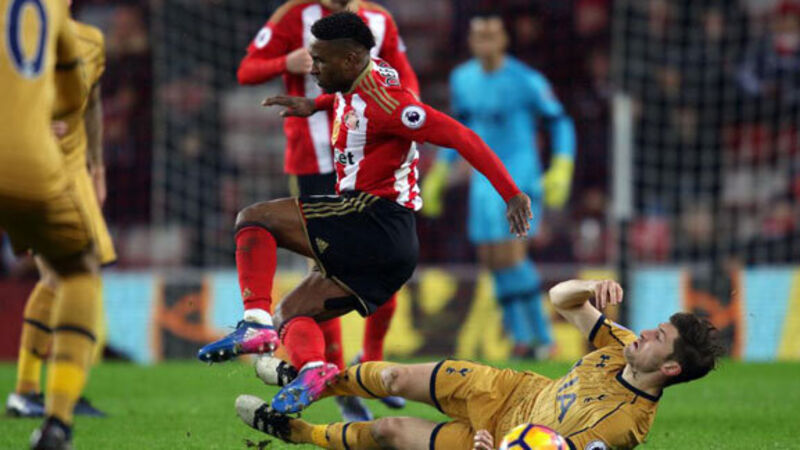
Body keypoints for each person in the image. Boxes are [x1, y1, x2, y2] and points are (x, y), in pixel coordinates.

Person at [200, 11, 533, 415]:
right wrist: (315, 104)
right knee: (290, 314)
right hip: (391, 246)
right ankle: (314, 370)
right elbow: (346, 95)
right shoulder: (360, 74)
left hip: (373, 218)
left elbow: (461, 135)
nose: (312, 67)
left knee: (254, 218)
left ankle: (255, 324)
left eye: (320, 61)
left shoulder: (391, 105)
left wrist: (512, 194)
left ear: (350, 59)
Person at [236, 278, 725, 450]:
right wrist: (589, 286)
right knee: (393, 375)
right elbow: (562, 299)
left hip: (496, 443)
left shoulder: (621, 425)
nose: (645, 333)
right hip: (506, 388)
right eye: (655, 327)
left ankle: (298, 432)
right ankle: (311, 381)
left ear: (670, 369)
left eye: (659, 338)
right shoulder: (620, 344)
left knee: (388, 432)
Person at [227, 0, 420, 420]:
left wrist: (410, 118)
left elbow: (406, 78)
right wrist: (285, 62)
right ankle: (336, 384)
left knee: (383, 261)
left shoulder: (379, 20)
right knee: (324, 270)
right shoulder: (292, 15)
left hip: (371, 160)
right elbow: (246, 71)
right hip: (313, 161)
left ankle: (370, 361)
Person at [422, 12, 576, 359]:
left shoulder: (526, 80)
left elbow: (560, 121)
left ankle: (543, 339)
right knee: (490, 257)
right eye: (479, 36)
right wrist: (440, 171)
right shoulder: (462, 79)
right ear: (471, 41)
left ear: (504, 40)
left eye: (491, 35)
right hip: (483, 178)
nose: (485, 43)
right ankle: (522, 339)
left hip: (519, 174)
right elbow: (459, 129)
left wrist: (562, 164)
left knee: (510, 253)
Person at [0, 1, 103, 448]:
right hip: (32, 163)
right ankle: (56, 419)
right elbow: (72, 94)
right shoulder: (51, 8)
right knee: (78, 271)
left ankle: (29, 392)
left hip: (47, 164)